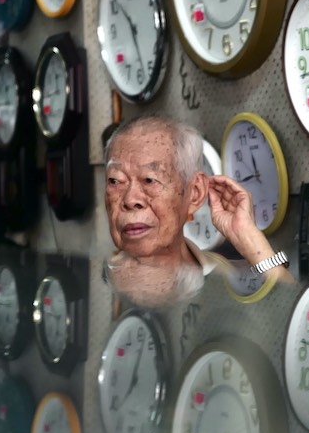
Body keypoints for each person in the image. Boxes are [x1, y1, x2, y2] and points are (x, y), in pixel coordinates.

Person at [104, 114, 293, 305]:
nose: (130, 199)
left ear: (194, 193)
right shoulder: (92, 282)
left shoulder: (221, 279)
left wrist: (248, 237)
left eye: (149, 180)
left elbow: (285, 305)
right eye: (115, 181)